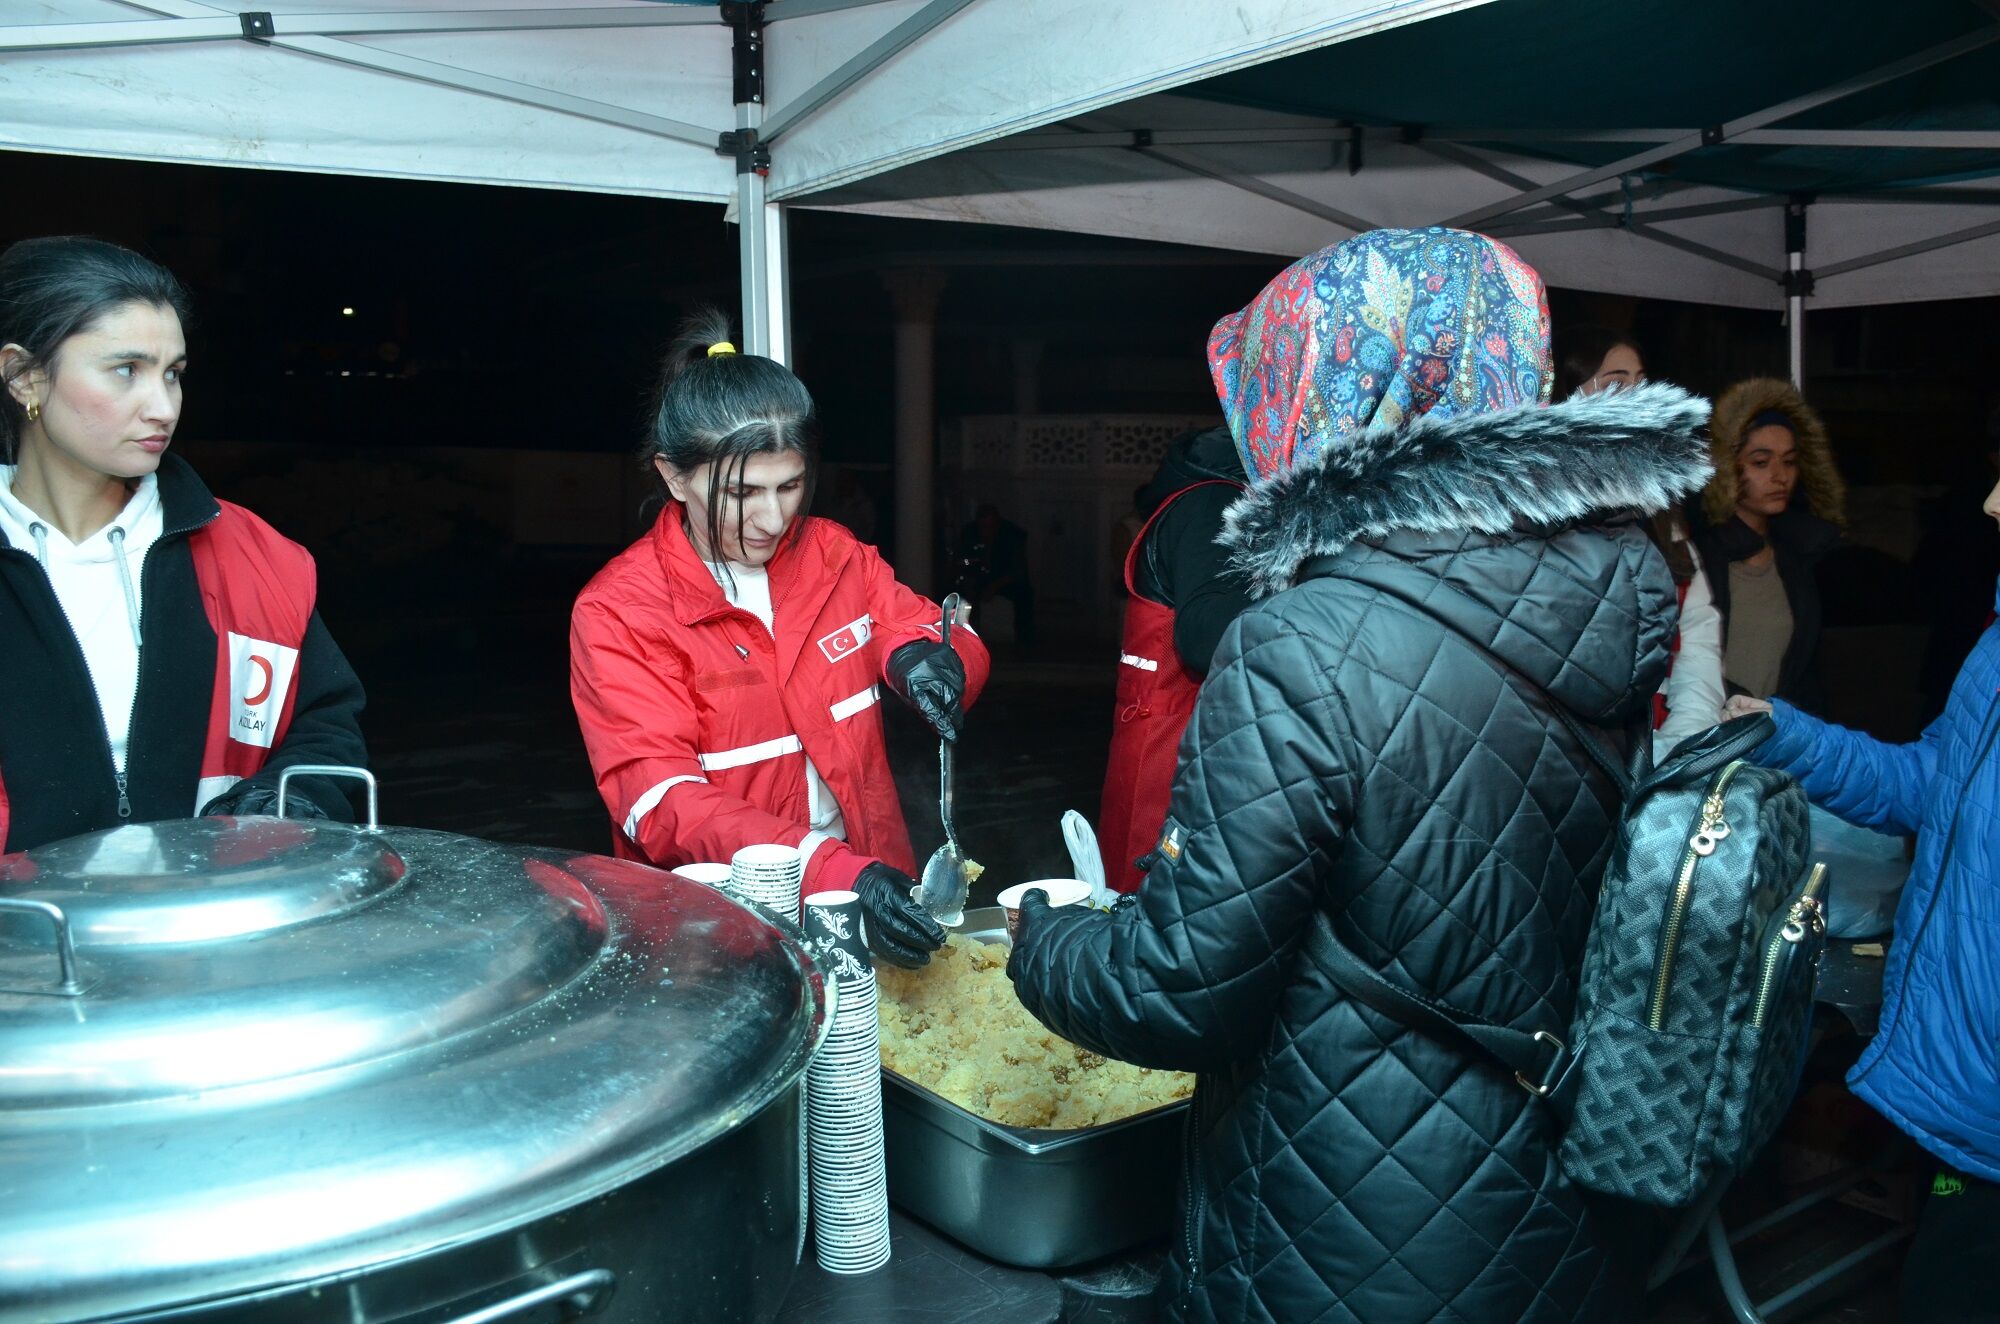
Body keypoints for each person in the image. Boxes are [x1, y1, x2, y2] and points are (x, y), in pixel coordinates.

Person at [1007, 228, 1713, 1322]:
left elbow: (1178, 988)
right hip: (1550, 1190)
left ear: (1331, 390)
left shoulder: (1301, 638)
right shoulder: (1617, 584)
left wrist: (1042, 941)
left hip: (1340, 1223)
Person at [569, 311, 987, 968]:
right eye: (743, 493)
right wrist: (832, 870)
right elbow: (660, 801)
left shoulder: (833, 553)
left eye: (789, 486)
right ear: (675, 478)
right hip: (722, 928)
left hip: (873, 889)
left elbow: (928, 625)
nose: (772, 518)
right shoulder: (621, 611)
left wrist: (924, 658)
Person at [1721, 472, 2000, 1324]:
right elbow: (1931, 782)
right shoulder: (1995, 647)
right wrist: (1786, 732)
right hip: (1964, 1102)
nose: (1988, 499)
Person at [0, 236, 367, 853]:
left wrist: (277, 808)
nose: (164, 406)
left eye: (173, 374)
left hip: (200, 932)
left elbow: (325, 728)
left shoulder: (259, 557)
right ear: (24, 376)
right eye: (127, 370)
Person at [1558, 326, 1725, 755]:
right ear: (1569, 396)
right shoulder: (1543, 513)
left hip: (1663, 742)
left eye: (1641, 382)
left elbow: (1697, 639)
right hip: (1574, 753)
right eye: (1616, 383)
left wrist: (1683, 743)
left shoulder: (1663, 510)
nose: (1638, 397)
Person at [1097, 424, 1249, 893]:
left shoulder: (1195, 499)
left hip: (1159, 737)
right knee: (1149, 910)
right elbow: (1205, 638)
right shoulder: (1213, 505)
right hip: (1172, 753)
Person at [1688, 377, 1845, 709]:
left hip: (1777, 741)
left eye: (1789, 461)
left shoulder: (1799, 558)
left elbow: (1806, 674)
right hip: (1710, 737)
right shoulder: (1697, 559)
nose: (1780, 475)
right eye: (1761, 462)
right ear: (1728, 466)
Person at [954, 503, 1035, 646]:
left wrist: (995, 585)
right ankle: (961, 637)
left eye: (989, 526)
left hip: (1005, 579)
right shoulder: (970, 533)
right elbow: (962, 560)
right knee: (959, 597)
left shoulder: (1012, 535)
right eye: (982, 526)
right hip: (977, 577)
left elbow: (1017, 569)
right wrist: (969, 574)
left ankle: (1024, 642)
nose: (985, 530)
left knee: (1024, 596)